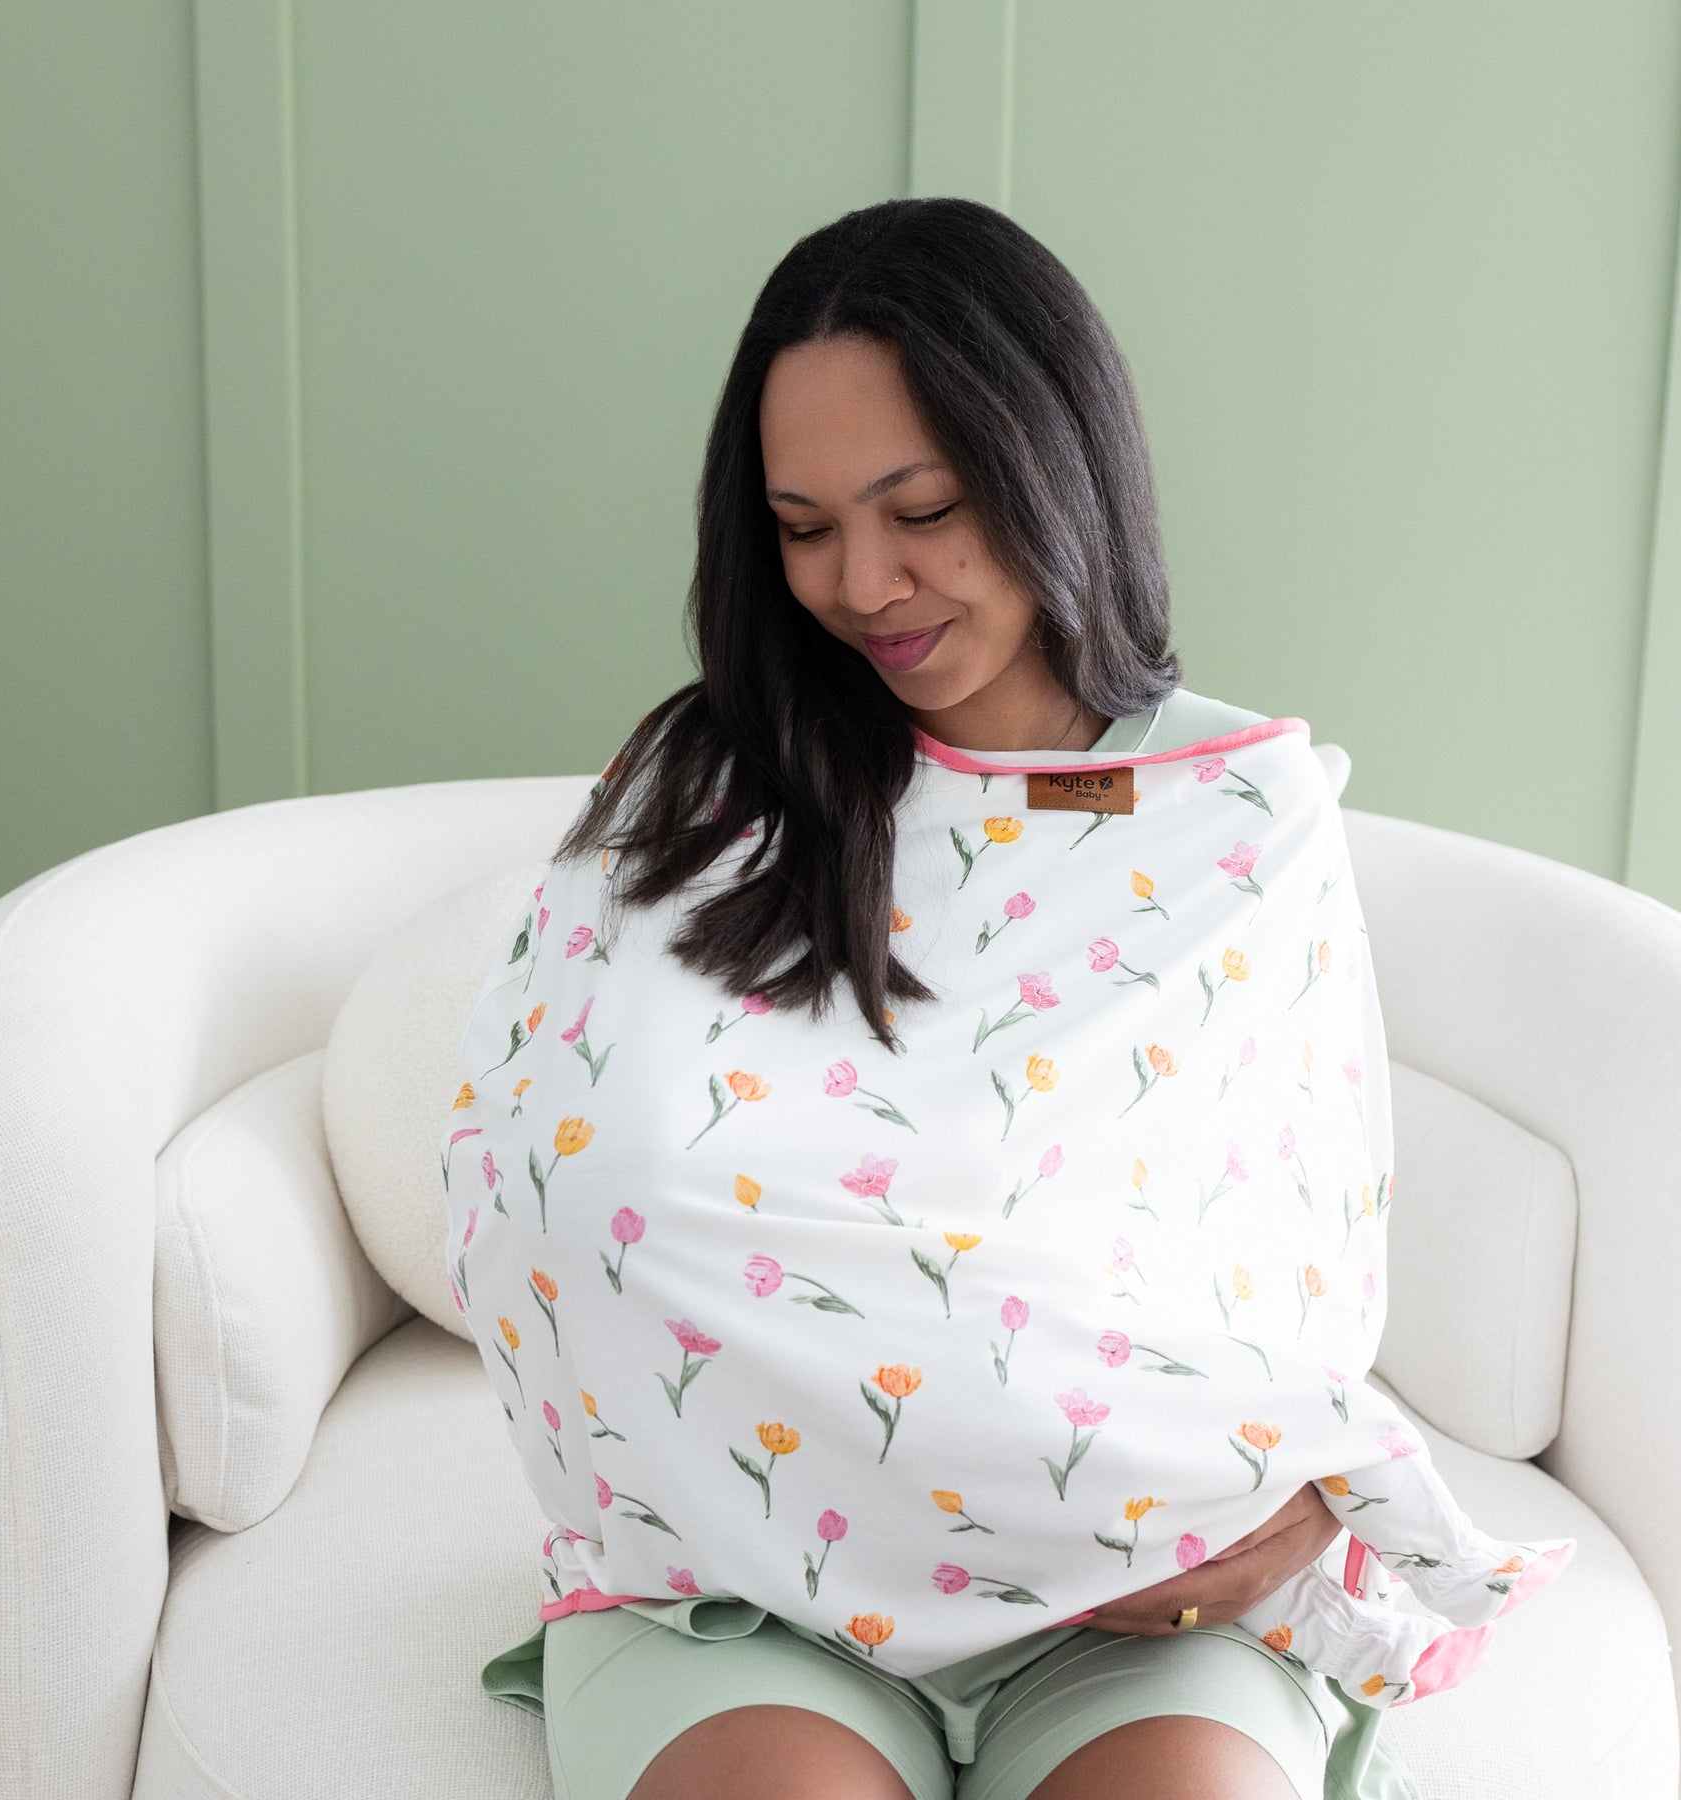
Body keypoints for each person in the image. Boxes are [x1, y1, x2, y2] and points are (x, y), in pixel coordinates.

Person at [449, 197, 1438, 1800]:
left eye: (923, 507)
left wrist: (1269, 1521)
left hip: (1136, 1609)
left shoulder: (1234, 820)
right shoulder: (704, 792)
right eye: (803, 522)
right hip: (744, 1588)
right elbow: (545, 1172)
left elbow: (1300, 1252)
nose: (863, 585)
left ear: (1057, 467)